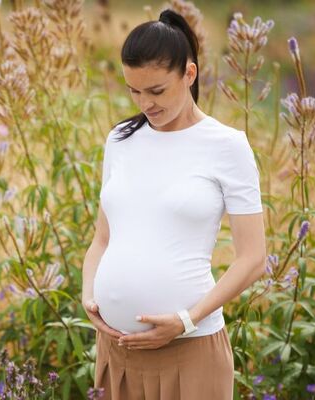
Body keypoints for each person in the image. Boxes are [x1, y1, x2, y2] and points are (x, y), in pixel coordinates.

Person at [81, 8, 267, 400]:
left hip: (190, 351)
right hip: (116, 352)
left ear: (190, 74)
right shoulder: (121, 140)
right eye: (134, 91)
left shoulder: (226, 146)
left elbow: (252, 259)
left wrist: (185, 320)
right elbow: (103, 238)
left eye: (157, 91)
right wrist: (89, 296)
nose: (145, 104)